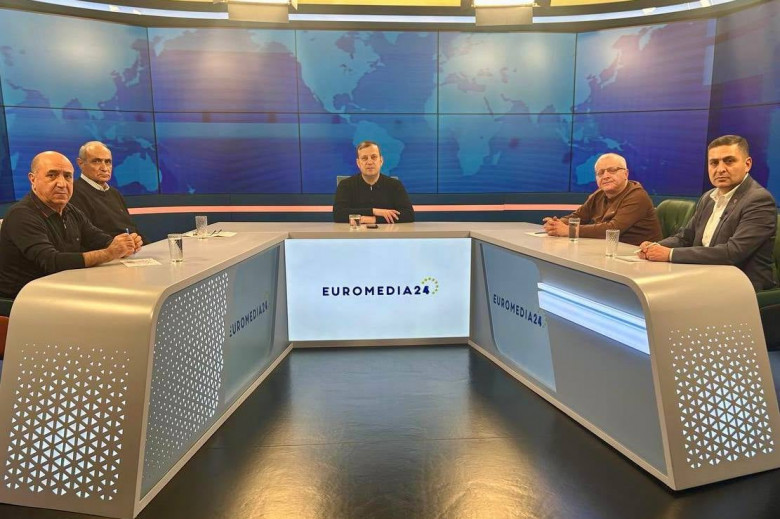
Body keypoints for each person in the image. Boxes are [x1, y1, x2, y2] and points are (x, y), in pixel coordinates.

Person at [638, 135, 777, 291]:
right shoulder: (708, 197)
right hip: (704, 277)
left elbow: (733, 253)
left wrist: (669, 254)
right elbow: (685, 238)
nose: (720, 169)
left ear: (747, 164)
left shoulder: (759, 200)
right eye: (714, 163)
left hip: (742, 287)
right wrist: (655, 247)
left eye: (729, 161)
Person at [0, 151, 142, 299]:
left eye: (67, 176)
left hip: (59, 290)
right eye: (52, 175)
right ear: (33, 179)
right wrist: (109, 253)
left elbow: (98, 239)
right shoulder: (21, 215)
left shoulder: (71, 210)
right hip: (22, 300)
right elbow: (52, 262)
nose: (62, 184)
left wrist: (125, 244)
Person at [542, 153, 662, 245]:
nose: (605, 176)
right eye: (600, 173)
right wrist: (557, 224)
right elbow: (578, 216)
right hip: (609, 251)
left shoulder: (637, 196)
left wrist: (569, 230)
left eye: (612, 170)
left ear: (626, 174)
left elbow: (612, 230)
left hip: (638, 257)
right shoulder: (600, 193)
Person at [69, 141, 145, 240]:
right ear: (81, 163)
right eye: (96, 161)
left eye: (108, 162)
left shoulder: (114, 193)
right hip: (108, 248)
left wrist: (141, 242)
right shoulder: (73, 192)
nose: (104, 168)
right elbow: (85, 236)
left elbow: (132, 228)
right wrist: (115, 245)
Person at [333, 141, 415, 224]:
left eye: (374, 157)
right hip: (355, 232)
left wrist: (373, 219)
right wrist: (374, 211)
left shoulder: (395, 185)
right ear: (358, 163)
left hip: (387, 232)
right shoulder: (345, 185)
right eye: (364, 158)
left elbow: (408, 215)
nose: (369, 162)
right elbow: (338, 214)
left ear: (381, 160)